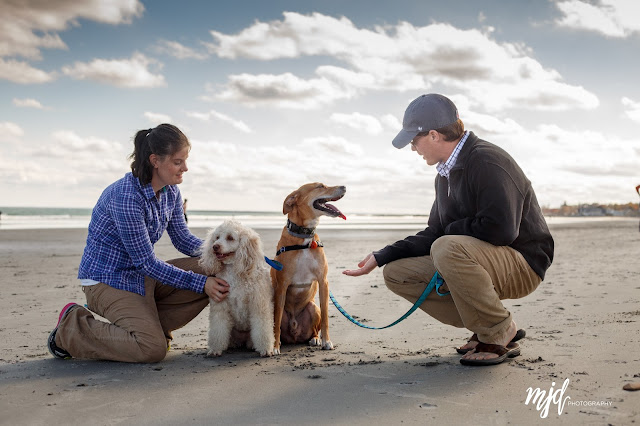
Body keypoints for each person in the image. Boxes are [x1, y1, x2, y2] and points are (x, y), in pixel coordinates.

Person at [343, 94, 554, 366]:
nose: (412, 148)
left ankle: (498, 330)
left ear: (433, 135)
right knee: (397, 273)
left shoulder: (487, 161)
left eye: (413, 141)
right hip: (482, 259)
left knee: (446, 247)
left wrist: (450, 231)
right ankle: (486, 325)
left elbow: (501, 230)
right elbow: (435, 231)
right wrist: (382, 255)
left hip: (522, 263)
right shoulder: (444, 173)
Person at [47, 124, 229, 363]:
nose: (185, 168)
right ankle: (71, 328)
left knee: (214, 267)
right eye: (177, 162)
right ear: (155, 160)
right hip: (108, 280)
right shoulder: (126, 197)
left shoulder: (170, 191)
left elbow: (183, 239)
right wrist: (201, 283)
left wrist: (224, 252)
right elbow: (146, 263)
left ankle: (149, 325)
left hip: (141, 276)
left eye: (185, 160)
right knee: (151, 349)